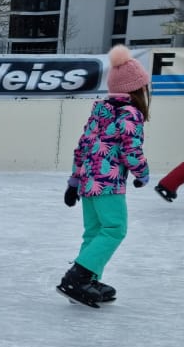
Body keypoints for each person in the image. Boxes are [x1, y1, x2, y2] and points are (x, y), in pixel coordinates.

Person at [57, 45, 150, 307]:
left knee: (95, 231)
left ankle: (89, 280)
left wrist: (74, 182)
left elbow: (83, 146)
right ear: (137, 88)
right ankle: (78, 277)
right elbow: (132, 150)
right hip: (108, 183)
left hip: (88, 181)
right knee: (114, 229)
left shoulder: (101, 111)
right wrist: (143, 174)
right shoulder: (130, 113)